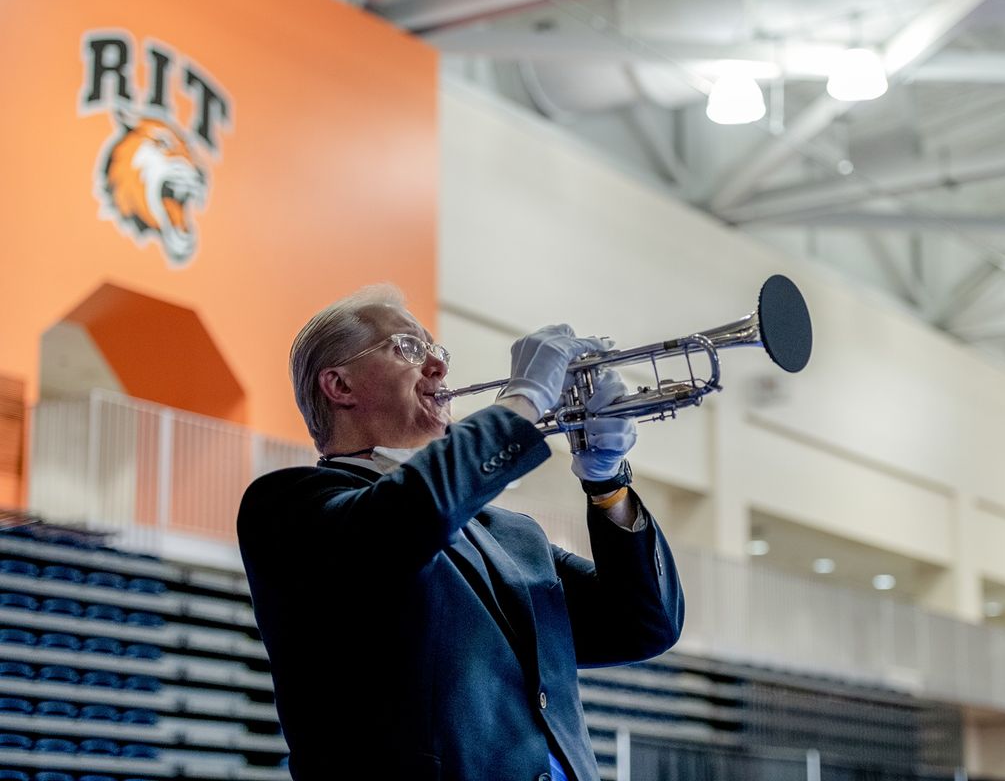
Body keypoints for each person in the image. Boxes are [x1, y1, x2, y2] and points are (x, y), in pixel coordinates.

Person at [237, 285, 685, 781]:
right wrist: (524, 401)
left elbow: (643, 625)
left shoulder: (511, 534)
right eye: (408, 348)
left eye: (437, 351)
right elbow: (400, 524)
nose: (438, 367)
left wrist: (608, 482)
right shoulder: (289, 506)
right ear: (340, 386)